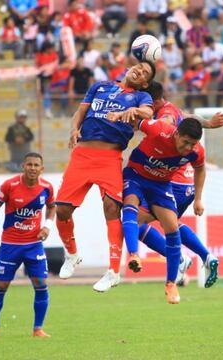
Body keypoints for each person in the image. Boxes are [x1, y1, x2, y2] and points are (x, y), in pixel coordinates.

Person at [54, 62, 155, 292]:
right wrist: (74, 130)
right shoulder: (100, 86)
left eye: (145, 73)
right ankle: (71, 254)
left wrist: (135, 112)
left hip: (110, 157)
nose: (139, 71)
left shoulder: (141, 96)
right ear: (130, 67)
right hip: (82, 155)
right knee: (62, 210)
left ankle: (112, 271)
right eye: (139, 67)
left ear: (145, 83)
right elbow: (79, 113)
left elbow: (148, 112)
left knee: (111, 207)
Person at [134, 81, 223, 286]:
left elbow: (167, 128)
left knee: (134, 221)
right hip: (185, 184)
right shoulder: (172, 109)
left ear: (153, 101)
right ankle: (206, 256)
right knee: (171, 223)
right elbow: (189, 119)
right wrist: (208, 123)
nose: (142, 105)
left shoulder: (165, 116)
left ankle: (179, 258)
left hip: (172, 182)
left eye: (144, 102)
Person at [112, 116, 206, 304]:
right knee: (130, 206)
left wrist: (198, 199)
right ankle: (134, 254)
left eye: (192, 144)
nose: (188, 148)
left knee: (172, 227)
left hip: (161, 185)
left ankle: (171, 283)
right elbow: (134, 120)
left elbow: (201, 169)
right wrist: (118, 115)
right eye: (185, 142)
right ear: (176, 133)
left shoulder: (196, 152)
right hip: (135, 176)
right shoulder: (159, 129)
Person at [0, 152, 55, 339]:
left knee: (41, 284)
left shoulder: (47, 187)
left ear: (42, 168)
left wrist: (47, 227)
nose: (32, 168)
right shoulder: (9, 185)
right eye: (29, 164)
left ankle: (38, 329)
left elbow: (52, 206)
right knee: (2, 284)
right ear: (23, 166)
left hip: (34, 245)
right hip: (10, 245)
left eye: (36, 165)